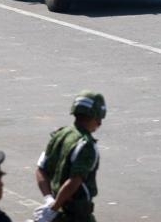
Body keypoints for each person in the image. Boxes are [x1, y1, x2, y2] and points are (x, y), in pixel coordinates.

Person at [33, 91, 107, 222]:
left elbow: (41, 169)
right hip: (76, 215)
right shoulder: (86, 145)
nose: (100, 124)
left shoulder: (61, 135)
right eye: (99, 119)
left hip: (56, 212)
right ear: (93, 116)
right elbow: (74, 181)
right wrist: (54, 207)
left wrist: (49, 200)